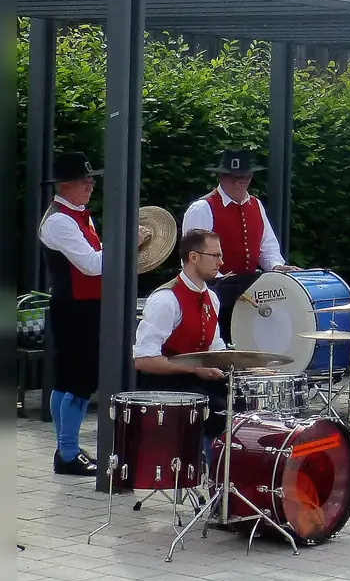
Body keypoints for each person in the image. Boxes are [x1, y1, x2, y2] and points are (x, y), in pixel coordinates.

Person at [40, 152, 151, 477]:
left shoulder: (74, 214)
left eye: (90, 179)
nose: (90, 185)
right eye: (84, 180)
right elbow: (90, 265)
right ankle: (68, 453)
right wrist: (127, 243)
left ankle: (67, 448)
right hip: (76, 308)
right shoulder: (61, 220)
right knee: (79, 380)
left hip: (79, 306)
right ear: (66, 185)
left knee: (70, 379)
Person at [181, 148, 298, 344]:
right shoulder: (202, 208)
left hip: (247, 292)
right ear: (220, 177)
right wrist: (220, 279)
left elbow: (266, 247)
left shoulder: (256, 205)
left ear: (250, 177)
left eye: (243, 178)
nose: (238, 183)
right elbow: (192, 257)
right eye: (231, 178)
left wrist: (276, 266)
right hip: (214, 293)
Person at [133, 229, 229, 437]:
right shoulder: (166, 299)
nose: (221, 263)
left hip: (195, 379)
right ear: (193, 257)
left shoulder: (212, 298)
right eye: (215, 256)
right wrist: (194, 369)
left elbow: (215, 348)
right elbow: (144, 360)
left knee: (241, 399)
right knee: (219, 410)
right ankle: (206, 463)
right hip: (164, 384)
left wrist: (252, 368)